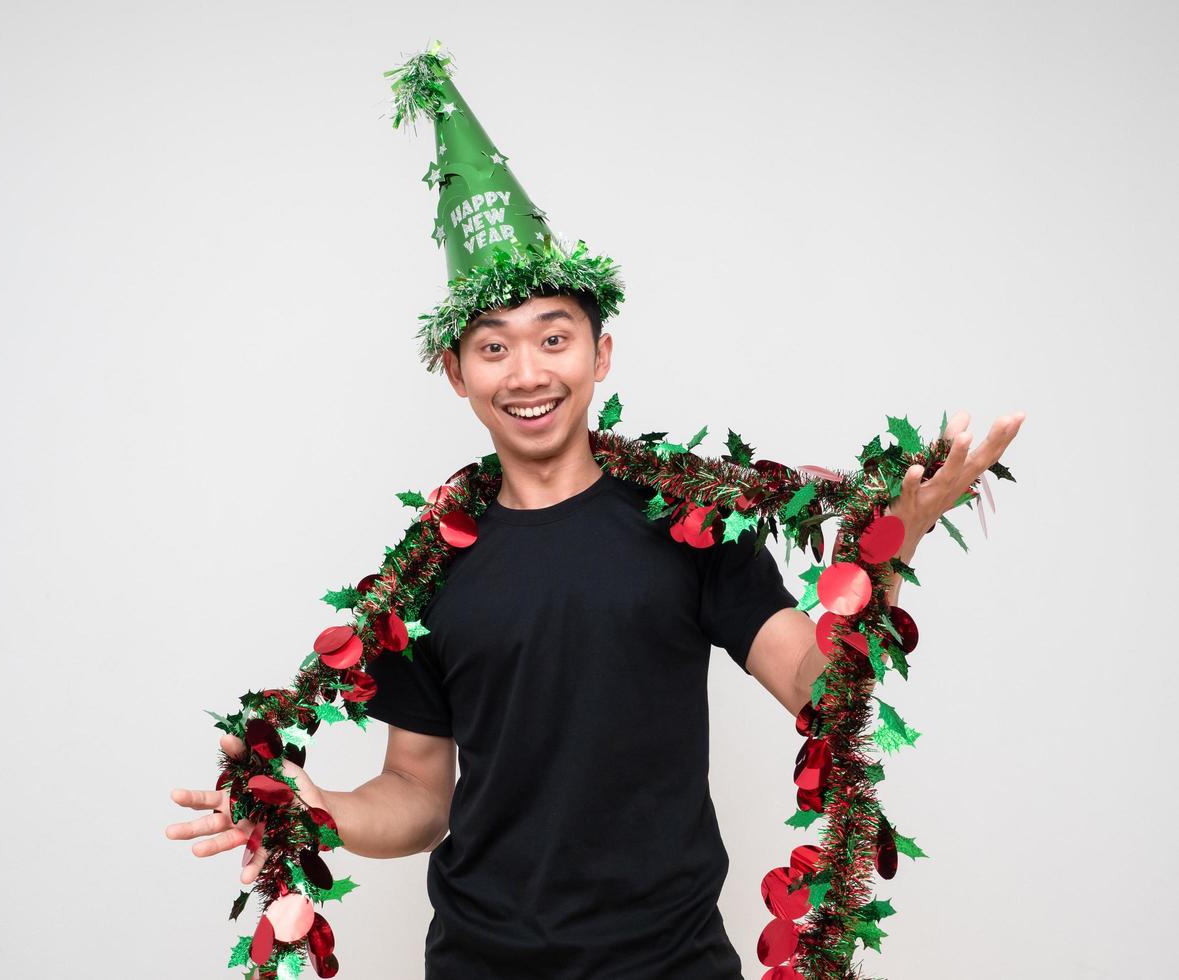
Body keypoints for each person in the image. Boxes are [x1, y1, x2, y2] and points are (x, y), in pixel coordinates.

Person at [165, 43, 1025, 979]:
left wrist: (891, 542)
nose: (527, 372)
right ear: (455, 373)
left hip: (672, 964)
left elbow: (821, 692)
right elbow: (417, 793)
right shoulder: (425, 571)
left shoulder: (688, 524)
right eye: (492, 347)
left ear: (600, 354)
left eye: (553, 337)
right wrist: (314, 803)